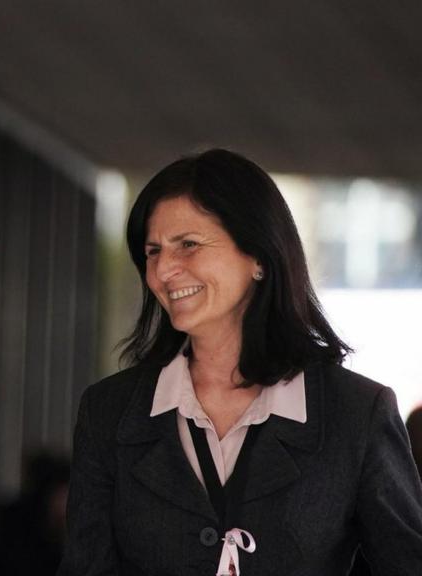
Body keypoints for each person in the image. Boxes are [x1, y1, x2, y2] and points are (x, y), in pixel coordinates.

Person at [58, 149, 422, 575]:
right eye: (153, 251)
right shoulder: (109, 412)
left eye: (188, 245)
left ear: (259, 258)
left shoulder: (356, 414)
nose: (163, 271)